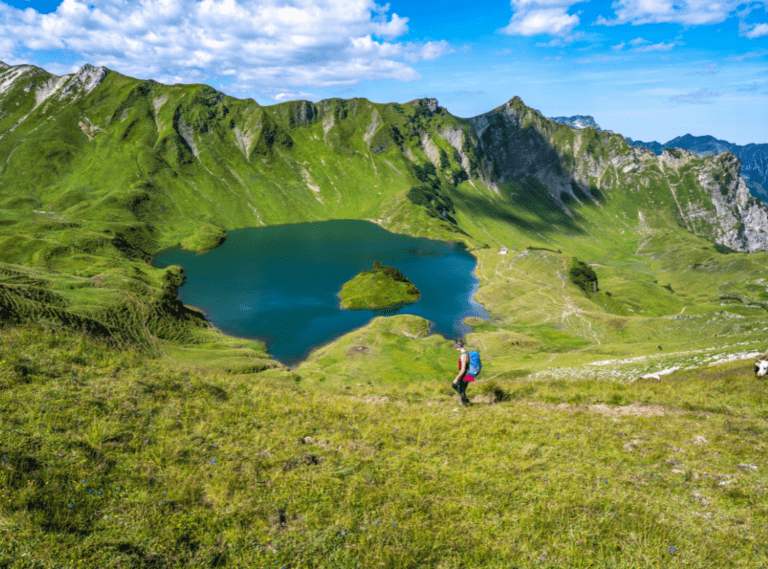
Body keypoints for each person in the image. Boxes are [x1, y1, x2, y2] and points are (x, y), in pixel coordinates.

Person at [452, 338, 475, 406]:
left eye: (456, 348)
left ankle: (465, 402)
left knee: (455, 385)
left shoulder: (463, 355)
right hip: (468, 374)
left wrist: (456, 378)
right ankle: (464, 402)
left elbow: (463, 369)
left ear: (458, 347)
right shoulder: (467, 351)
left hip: (465, 375)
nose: (456, 350)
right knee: (462, 389)